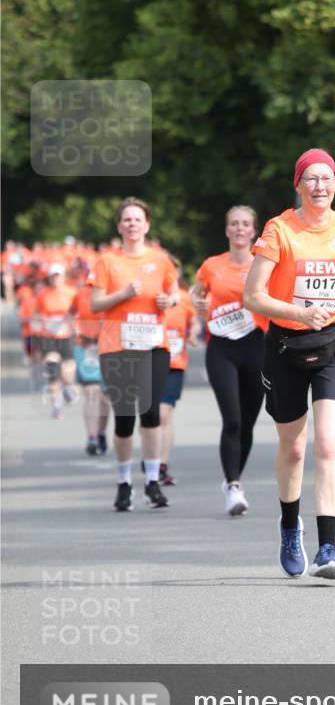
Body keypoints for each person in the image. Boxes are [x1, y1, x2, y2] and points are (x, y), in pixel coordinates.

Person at [244, 148, 335, 581]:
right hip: (285, 346)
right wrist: (299, 312)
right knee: (294, 448)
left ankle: (327, 549)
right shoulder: (280, 229)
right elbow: (253, 296)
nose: (319, 186)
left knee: (326, 445)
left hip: (334, 346)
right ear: (298, 185)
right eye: (311, 179)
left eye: (326, 179)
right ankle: (289, 525)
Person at [90, 197, 179, 512]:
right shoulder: (107, 261)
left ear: (147, 224)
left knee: (152, 412)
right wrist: (124, 294)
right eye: (126, 220)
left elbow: (174, 294)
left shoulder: (161, 259)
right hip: (117, 347)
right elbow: (95, 304)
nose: (132, 224)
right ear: (119, 226)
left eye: (137, 219)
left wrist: (169, 302)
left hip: (154, 345)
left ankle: (153, 482)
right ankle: (124, 482)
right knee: (125, 418)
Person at [192, 207, 268, 516]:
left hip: (257, 346)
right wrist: (197, 304)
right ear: (227, 231)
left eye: (245, 224)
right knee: (233, 418)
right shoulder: (212, 265)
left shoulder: (264, 265)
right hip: (221, 347)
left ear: (254, 231)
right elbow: (196, 295)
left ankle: (233, 478)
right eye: (234, 224)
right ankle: (234, 485)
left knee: (248, 422)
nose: (239, 229)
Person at [158, 265, 199, 485]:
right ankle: (152, 457)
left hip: (174, 363)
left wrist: (192, 332)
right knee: (151, 416)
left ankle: (161, 466)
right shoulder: (150, 297)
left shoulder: (184, 298)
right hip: (150, 361)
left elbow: (194, 322)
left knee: (165, 414)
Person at [33, 264, 78, 418]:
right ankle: (57, 406)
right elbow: (36, 314)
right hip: (49, 335)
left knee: (67, 371)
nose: (56, 279)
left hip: (67, 335)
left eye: (58, 275)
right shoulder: (43, 294)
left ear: (64, 277)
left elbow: (79, 312)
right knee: (52, 367)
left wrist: (74, 323)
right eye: (53, 276)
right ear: (49, 277)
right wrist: (41, 321)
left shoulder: (72, 292)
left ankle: (68, 387)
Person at [72, 279, 110, 456]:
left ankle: (101, 431)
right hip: (86, 347)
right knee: (91, 391)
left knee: (106, 397)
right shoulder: (80, 293)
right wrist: (76, 331)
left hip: (110, 348)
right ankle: (92, 437)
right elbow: (70, 314)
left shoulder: (114, 290)